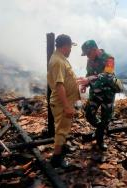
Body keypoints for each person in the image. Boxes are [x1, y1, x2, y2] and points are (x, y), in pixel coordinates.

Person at [77, 40, 117, 151]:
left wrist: (89, 79)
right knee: (89, 114)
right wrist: (86, 83)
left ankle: (100, 140)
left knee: (105, 118)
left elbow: (108, 75)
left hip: (107, 94)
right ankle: (100, 129)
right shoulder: (90, 60)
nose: (87, 57)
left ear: (95, 49)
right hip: (95, 93)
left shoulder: (109, 58)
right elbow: (89, 74)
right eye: (86, 55)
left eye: (88, 54)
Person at [47, 34, 80, 168]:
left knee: (64, 128)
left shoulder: (61, 58)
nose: (71, 50)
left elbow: (65, 79)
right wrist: (66, 106)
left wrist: (77, 82)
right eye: (70, 47)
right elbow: (59, 85)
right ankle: (56, 158)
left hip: (65, 101)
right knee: (61, 130)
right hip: (62, 103)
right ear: (65, 46)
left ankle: (62, 148)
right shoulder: (58, 61)